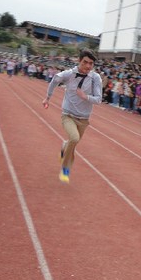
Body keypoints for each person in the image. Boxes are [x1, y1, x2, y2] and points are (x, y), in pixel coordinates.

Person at [42, 49, 103, 183]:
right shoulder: (69, 74)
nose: (88, 66)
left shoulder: (95, 78)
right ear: (79, 61)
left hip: (84, 119)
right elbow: (55, 79)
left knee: (72, 144)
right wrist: (47, 98)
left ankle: (65, 147)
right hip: (68, 115)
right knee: (74, 139)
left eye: (91, 63)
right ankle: (65, 169)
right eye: (85, 62)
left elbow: (98, 99)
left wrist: (85, 96)